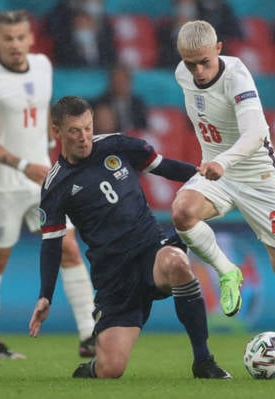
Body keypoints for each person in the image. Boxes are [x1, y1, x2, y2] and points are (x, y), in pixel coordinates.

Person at [171, 20, 275, 378]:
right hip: (218, 175)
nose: (197, 71)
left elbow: (256, 132)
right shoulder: (182, 74)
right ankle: (227, 271)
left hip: (259, 180)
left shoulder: (238, 77)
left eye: (204, 62)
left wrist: (221, 161)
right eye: (190, 63)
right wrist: (216, 164)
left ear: (219, 49)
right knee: (182, 212)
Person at [29, 96, 231, 380]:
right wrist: (45, 296)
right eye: (74, 130)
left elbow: (164, 167)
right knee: (111, 369)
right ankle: (93, 367)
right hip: (114, 279)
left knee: (177, 262)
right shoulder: (56, 186)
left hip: (150, 251)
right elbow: (51, 244)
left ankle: (203, 360)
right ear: (57, 132)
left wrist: (202, 175)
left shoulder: (116, 145)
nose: (84, 137)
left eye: (87, 127)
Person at [0, 11, 96, 359]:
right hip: (3, 184)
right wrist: (23, 165)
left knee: (68, 247)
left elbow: (44, 123)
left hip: (44, 181)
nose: (15, 45)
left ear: (31, 38)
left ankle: (89, 334)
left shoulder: (43, 67)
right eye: (7, 38)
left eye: (21, 37)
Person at [94, 64, 147, 134]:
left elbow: (143, 126)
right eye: (117, 81)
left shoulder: (137, 103)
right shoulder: (102, 103)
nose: (120, 84)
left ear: (129, 82)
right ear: (110, 82)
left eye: (123, 81)